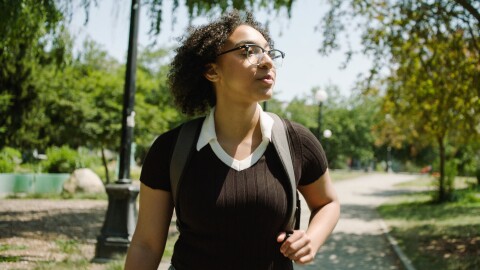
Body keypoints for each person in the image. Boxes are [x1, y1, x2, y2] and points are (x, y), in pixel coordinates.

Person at [124, 10, 340, 270]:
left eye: (269, 52)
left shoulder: (296, 141)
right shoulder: (170, 150)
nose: (267, 61)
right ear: (212, 71)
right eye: (249, 51)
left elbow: (328, 202)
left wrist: (311, 240)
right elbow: (146, 244)